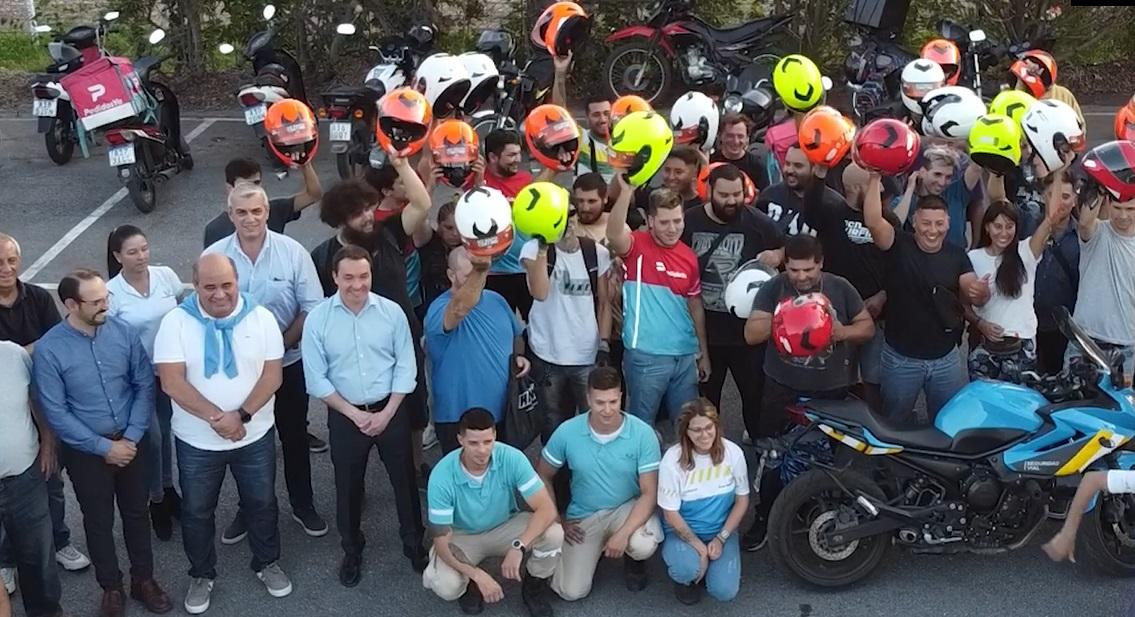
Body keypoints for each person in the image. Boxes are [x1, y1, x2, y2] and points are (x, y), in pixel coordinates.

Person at [154, 254, 291, 613]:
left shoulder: (261, 319)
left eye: (226, 285)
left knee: (262, 503)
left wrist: (242, 416)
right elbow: (171, 381)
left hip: (255, 434)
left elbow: (272, 376)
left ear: (237, 281)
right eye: (209, 286)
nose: (219, 294)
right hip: (197, 441)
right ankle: (202, 573)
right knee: (198, 511)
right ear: (195, 285)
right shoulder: (176, 322)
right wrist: (220, 418)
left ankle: (266, 562)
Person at [34, 269, 171, 617]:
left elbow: (143, 385)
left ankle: (144, 580)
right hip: (85, 453)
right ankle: (111, 587)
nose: (105, 306)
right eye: (95, 302)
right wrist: (103, 447)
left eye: (105, 298)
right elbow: (56, 410)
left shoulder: (122, 332)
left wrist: (132, 437)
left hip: (131, 441)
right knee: (97, 521)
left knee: (137, 514)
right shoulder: (50, 349)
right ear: (70, 304)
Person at [204, 185, 328, 541]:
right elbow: (205, 307)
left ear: (267, 213)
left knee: (293, 437)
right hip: (239, 372)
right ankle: (248, 510)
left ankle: (303, 505)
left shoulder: (292, 252)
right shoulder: (215, 255)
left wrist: (279, 346)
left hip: (288, 364)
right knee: (246, 444)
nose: (250, 219)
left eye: (256, 212)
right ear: (230, 216)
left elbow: (313, 306)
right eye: (241, 213)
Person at [301, 246, 428, 586]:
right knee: (348, 486)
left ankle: (414, 544)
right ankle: (352, 549)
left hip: (390, 410)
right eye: (348, 278)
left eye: (363, 276)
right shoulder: (318, 320)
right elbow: (316, 378)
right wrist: (354, 415)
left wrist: (387, 412)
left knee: (404, 482)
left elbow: (406, 366)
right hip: (345, 415)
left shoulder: (392, 313)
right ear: (334, 277)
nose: (357, 285)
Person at [741, 235, 875, 550]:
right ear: (785, 265)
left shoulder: (840, 287)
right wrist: (787, 318)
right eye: (794, 270)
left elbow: (867, 327)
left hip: (831, 392)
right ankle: (766, 517)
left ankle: (815, 517)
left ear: (821, 264)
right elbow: (750, 334)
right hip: (781, 389)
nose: (801, 277)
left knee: (828, 462)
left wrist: (840, 331)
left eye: (809, 270)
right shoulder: (775, 288)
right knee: (772, 457)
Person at [0, 233, 89, 588]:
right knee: (6, 493)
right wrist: (28, 351)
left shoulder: (37, 297)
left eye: (10, 260)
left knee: (50, 479)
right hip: (7, 413)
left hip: (43, 402)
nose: (6, 268)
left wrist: (15, 352)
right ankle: (7, 560)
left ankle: (60, 542)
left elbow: (56, 345)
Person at [863, 173, 988, 423]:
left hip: (946, 361)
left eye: (939, 223)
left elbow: (971, 286)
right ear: (914, 221)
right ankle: (892, 463)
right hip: (900, 359)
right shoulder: (898, 244)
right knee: (894, 423)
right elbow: (874, 221)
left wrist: (979, 291)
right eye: (926, 223)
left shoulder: (957, 255)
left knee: (946, 423)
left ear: (949, 222)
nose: (932, 230)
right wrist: (876, 177)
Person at [535, 367, 663, 601]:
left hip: (627, 509)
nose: (607, 409)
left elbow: (649, 493)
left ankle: (634, 561)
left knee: (641, 543)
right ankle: (596, 549)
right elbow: (543, 475)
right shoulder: (567, 431)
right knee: (570, 592)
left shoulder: (643, 434)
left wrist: (623, 534)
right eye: (600, 402)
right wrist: (556, 519)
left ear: (621, 397)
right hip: (584, 516)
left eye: (613, 401)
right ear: (588, 399)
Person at [423, 408, 561, 617]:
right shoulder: (441, 476)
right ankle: (469, 584)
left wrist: (519, 546)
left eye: (487, 442)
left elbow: (547, 508)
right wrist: (478, 575)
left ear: (495, 436)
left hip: (505, 525)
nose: (482, 450)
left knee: (554, 533)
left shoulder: (512, 457)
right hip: (462, 536)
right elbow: (442, 544)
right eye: (473, 443)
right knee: (445, 585)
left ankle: (534, 587)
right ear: (460, 439)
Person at [681, 163, 784, 440]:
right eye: (724, 195)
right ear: (709, 191)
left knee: (755, 399)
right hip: (704, 332)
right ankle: (710, 452)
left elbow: (789, 247)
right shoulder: (688, 221)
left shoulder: (759, 223)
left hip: (748, 335)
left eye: (737, 194)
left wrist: (779, 255)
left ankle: (759, 451)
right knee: (707, 403)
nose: (731, 201)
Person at [106, 225, 186, 541]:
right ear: (117, 256)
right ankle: (156, 501)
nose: (141, 256)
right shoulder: (112, 293)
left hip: (169, 371)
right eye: (132, 252)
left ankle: (168, 488)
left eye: (144, 248)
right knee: (150, 437)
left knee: (167, 432)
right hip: (137, 379)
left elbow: (182, 306)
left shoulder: (165, 275)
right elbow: (111, 341)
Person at [607, 177, 707, 427]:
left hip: (685, 355)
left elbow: (695, 305)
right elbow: (613, 233)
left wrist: (703, 352)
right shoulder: (636, 246)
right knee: (641, 427)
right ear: (650, 222)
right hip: (645, 355)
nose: (673, 228)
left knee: (688, 427)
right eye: (664, 222)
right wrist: (625, 193)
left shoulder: (689, 257)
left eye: (677, 221)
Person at [805, 164, 897, 410]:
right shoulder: (832, 213)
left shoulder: (888, 219)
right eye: (872, 185)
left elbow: (899, 264)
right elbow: (810, 210)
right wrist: (819, 174)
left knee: (874, 377)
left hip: (877, 312)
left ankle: (878, 426)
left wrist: (883, 295)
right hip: (839, 311)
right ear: (856, 188)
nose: (879, 191)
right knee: (835, 375)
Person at [521, 205, 612, 441]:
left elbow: (604, 302)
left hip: (586, 353)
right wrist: (543, 248)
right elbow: (539, 293)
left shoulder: (596, 253)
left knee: (591, 421)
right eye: (559, 217)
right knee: (552, 423)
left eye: (570, 215)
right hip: (547, 353)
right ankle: (555, 476)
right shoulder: (533, 249)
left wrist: (603, 342)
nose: (567, 223)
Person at [425, 247, 529, 453]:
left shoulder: (497, 300)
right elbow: (459, 309)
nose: (478, 277)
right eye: (469, 273)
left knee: (502, 478)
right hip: (458, 417)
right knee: (462, 481)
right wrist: (479, 270)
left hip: (503, 413)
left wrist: (518, 357)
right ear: (450, 275)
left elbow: (516, 335)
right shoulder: (440, 308)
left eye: (480, 271)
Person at [965, 189, 1070, 381]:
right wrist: (980, 323)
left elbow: (1048, 223)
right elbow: (962, 304)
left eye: (1009, 226)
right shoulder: (973, 258)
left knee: (1015, 406)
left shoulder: (1026, 252)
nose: (1004, 233)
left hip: (1021, 346)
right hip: (984, 347)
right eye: (998, 226)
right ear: (987, 227)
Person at [658, 399, 748, 604]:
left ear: (716, 426)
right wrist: (699, 547)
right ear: (686, 432)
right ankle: (686, 578)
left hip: (721, 530)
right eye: (696, 430)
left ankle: (707, 570)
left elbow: (742, 501)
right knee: (686, 569)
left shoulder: (733, 453)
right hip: (682, 532)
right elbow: (670, 513)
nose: (704, 435)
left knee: (724, 591)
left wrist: (721, 538)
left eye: (709, 428)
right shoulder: (672, 460)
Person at [0, 340, 65, 617]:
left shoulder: (13, 355)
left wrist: (48, 444)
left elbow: (38, 402)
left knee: (38, 561)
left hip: (24, 477)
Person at [1066, 173, 1135, 381]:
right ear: (1107, 203)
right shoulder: (1097, 232)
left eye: (1130, 209)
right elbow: (1085, 222)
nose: (1123, 216)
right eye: (1117, 208)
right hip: (1085, 341)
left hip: (1127, 348)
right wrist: (1099, 182)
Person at [479, 129, 550, 319]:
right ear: (493, 157)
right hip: (494, 273)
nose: (518, 159)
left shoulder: (525, 179)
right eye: (511, 155)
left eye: (519, 153)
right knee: (499, 327)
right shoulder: (479, 180)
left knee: (534, 325)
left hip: (526, 268)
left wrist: (555, 166)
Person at [202, 157, 323, 248]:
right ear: (229, 188)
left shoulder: (275, 210)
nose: (251, 219)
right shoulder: (215, 229)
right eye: (245, 185)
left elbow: (313, 195)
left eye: (256, 183)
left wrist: (305, 164)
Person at [1032, 171, 1080, 374]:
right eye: (1052, 194)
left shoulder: (1083, 237)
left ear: (1075, 200)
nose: (1058, 202)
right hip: (1026, 324)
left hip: (1060, 329)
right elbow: (998, 198)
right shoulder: (1027, 223)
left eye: (1066, 196)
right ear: (1044, 195)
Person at [891, 146, 983, 249]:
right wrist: (910, 189)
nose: (942, 182)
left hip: (955, 260)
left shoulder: (956, 192)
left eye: (948, 177)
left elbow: (977, 166)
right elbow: (894, 226)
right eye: (937, 174)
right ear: (922, 172)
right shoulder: (904, 201)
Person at [755, 143, 842, 237]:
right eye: (787, 164)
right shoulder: (770, 194)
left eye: (798, 166)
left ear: (814, 168)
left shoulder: (833, 204)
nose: (789, 170)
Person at [632, 146, 703, 215]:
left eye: (678, 172)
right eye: (667, 170)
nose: (671, 177)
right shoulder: (651, 197)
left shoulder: (701, 209)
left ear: (694, 175)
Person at [711, 113, 771, 191]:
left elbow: (765, 196)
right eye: (730, 136)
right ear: (720, 136)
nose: (736, 141)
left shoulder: (757, 166)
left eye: (740, 136)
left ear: (747, 139)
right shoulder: (711, 162)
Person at [576, 96, 616, 182]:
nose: (603, 119)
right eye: (596, 115)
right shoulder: (581, 138)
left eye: (606, 113)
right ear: (587, 117)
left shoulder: (625, 143)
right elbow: (561, 115)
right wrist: (559, 82)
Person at [572, 172, 610, 244]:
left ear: (605, 198)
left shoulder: (617, 228)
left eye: (592, 201)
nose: (585, 208)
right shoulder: (567, 223)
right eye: (580, 201)